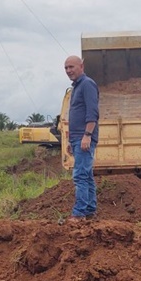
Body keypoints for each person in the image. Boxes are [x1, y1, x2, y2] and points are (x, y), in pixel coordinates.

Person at [63, 55, 99, 220]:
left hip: (84, 138)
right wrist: (72, 141)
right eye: (66, 68)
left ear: (81, 66)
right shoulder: (77, 87)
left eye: (71, 67)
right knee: (87, 174)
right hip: (77, 139)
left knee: (80, 175)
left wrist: (87, 135)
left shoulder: (87, 84)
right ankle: (89, 210)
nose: (69, 70)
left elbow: (92, 113)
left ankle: (79, 214)